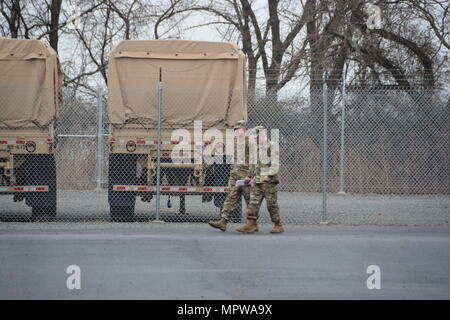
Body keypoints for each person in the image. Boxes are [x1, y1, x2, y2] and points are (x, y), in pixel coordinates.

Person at [236, 126, 284, 234]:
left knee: (271, 204)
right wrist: (249, 176)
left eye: (257, 138)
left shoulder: (272, 146)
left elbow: (275, 164)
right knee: (253, 203)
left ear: (262, 134)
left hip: (269, 182)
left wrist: (270, 176)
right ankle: (251, 224)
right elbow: (253, 165)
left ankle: (278, 224)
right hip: (257, 181)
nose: (255, 140)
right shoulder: (257, 148)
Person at [208, 120, 251, 231]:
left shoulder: (250, 142)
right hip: (235, 175)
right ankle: (223, 222)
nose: (236, 131)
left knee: (250, 200)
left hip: (246, 176)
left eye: (238, 129)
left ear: (245, 129)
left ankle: (252, 223)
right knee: (231, 198)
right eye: (235, 130)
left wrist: (251, 176)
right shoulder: (235, 141)